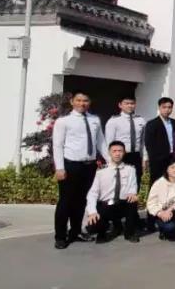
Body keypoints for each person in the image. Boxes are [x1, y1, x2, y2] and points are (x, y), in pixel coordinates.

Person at [52, 91, 107, 249]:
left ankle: (75, 232)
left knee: (81, 201)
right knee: (65, 202)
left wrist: (110, 161)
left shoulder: (95, 120)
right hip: (71, 165)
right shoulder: (63, 121)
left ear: (89, 102)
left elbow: (101, 142)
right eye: (79, 100)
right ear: (72, 102)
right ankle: (60, 236)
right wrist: (60, 168)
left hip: (89, 166)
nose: (82, 103)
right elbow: (57, 145)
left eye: (85, 100)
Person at [84, 141, 141, 243]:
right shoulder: (101, 171)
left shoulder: (130, 169)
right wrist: (92, 212)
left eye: (120, 151)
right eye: (114, 151)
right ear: (109, 153)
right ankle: (102, 233)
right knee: (93, 226)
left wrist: (133, 193)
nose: (117, 154)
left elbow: (133, 186)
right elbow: (92, 193)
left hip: (122, 203)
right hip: (106, 205)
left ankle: (129, 233)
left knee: (132, 201)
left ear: (124, 153)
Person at [147, 160, 175, 240]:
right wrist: (160, 213)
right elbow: (150, 203)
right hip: (163, 213)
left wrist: (170, 209)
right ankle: (164, 230)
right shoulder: (158, 183)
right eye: (172, 167)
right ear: (167, 169)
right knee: (170, 229)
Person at [105, 96, 145, 179]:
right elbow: (109, 142)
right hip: (120, 155)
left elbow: (144, 141)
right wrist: (110, 160)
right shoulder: (113, 121)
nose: (130, 106)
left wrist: (145, 157)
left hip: (137, 155)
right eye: (127, 103)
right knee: (121, 181)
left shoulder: (141, 120)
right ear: (120, 105)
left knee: (136, 180)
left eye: (132, 103)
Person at [143, 96, 175, 188]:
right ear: (159, 108)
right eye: (164, 107)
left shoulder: (174, 122)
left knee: (171, 182)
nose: (167, 110)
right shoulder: (152, 124)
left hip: (172, 158)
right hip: (158, 160)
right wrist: (152, 158)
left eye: (169, 107)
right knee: (156, 183)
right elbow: (148, 143)